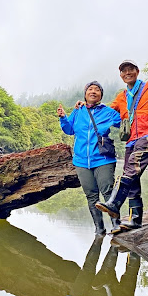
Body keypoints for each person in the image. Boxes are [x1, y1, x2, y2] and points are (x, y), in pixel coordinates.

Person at [96, 60, 148, 233]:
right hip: (131, 140)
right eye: (123, 71)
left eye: (130, 69)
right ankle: (135, 220)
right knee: (133, 178)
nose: (127, 73)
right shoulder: (122, 96)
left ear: (137, 72)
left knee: (131, 170)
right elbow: (107, 112)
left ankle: (114, 203)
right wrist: (87, 106)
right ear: (121, 75)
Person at [58, 81, 121, 235]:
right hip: (81, 161)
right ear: (85, 94)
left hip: (103, 159)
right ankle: (99, 229)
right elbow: (69, 130)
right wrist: (63, 118)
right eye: (90, 89)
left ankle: (116, 225)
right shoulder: (78, 111)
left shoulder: (108, 112)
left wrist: (122, 107)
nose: (93, 91)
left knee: (107, 192)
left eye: (97, 90)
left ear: (101, 95)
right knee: (91, 196)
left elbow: (123, 122)